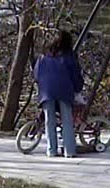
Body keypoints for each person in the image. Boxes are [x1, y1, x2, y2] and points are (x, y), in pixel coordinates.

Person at [34, 30, 84, 158]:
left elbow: (36, 74)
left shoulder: (42, 57)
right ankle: (69, 151)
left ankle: (51, 150)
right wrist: (78, 88)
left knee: (49, 121)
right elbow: (75, 75)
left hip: (46, 92)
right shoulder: (69, 57)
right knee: (67, 120)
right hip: (64, 90)